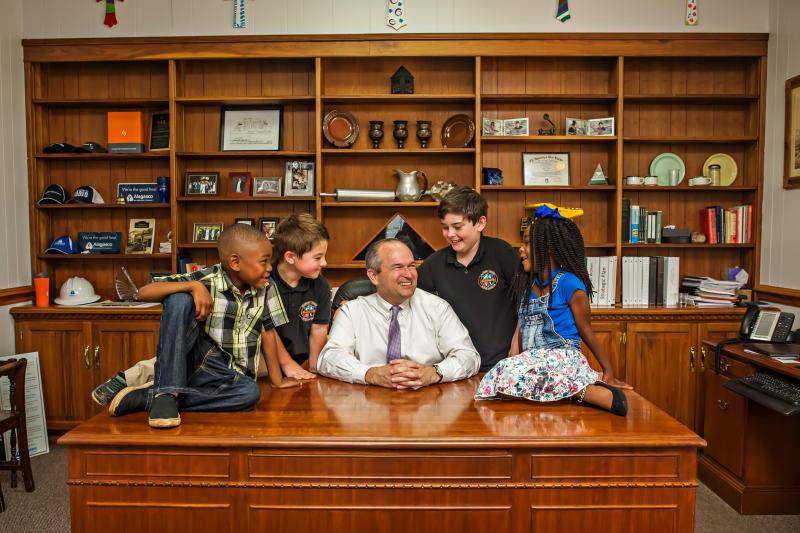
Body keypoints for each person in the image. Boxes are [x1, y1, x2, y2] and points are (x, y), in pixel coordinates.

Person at [102, 223, 298, 429]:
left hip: (230, 377)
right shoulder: (206, 279)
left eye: (270, 261)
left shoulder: (267, 288)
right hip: (199, 362)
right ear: (235, 262)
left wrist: (277, 381)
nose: (269, 268)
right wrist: (193, 286)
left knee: (250, 394)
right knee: (179, 299)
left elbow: (267, 332)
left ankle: (150, 398)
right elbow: (142, 293)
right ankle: (167, 392)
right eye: (264, 261)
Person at [475, 203, 631, 416]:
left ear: (547, 247)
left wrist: (609, 371)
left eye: (528, 243)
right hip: (533, 360)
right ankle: (575, 388)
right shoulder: (525, 285)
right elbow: (519, 328)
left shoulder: (569, 284)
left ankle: (588, 390)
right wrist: (511, 360)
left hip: (563, 356)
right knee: (498, 378)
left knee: (536, 373)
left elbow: (586, 330)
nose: (521, 249)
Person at [317, 239, 480, 388]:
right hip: (368, 406)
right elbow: (328, 358)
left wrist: (435, 372)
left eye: (411, 266)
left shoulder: (437, 308)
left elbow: (469, 356)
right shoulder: (352, 312)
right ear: (373, 276)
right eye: (397, 267)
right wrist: (370, 374)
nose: (408, 274)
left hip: (428, 405)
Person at [417, 186, 519, 372]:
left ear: (480, 223)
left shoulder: (502, 253)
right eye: (445, 227)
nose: (450, 234)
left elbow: (529, 300)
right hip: (456, 368)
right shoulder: (435, 263)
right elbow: (406, 294)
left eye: (457, 227)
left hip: (504, 365)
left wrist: (517, 342)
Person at [270, 213, 331, 377]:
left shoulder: (320, 285)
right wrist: (287, 364)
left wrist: (314, 368)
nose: (324, 263)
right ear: (290, 257)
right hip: (268, 362)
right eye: (317, 257)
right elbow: (265, 330)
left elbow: (319, 328)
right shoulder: (265, 282)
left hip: (301, 363)